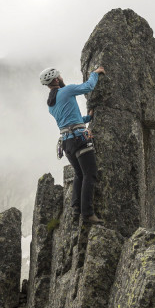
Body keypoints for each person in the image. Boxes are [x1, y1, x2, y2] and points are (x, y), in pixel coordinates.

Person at [40, 65, 106, 224]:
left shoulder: (51, 104)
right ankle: (88, 213)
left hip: (67, 143)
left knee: (79, 174)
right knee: (90, 174)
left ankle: (76, 209)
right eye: (59, 75)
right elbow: (88, 86)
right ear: (56, 79)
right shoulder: (67, 90)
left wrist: (87, 119)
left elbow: (69, 119)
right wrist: (95, 73)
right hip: (79, 139)